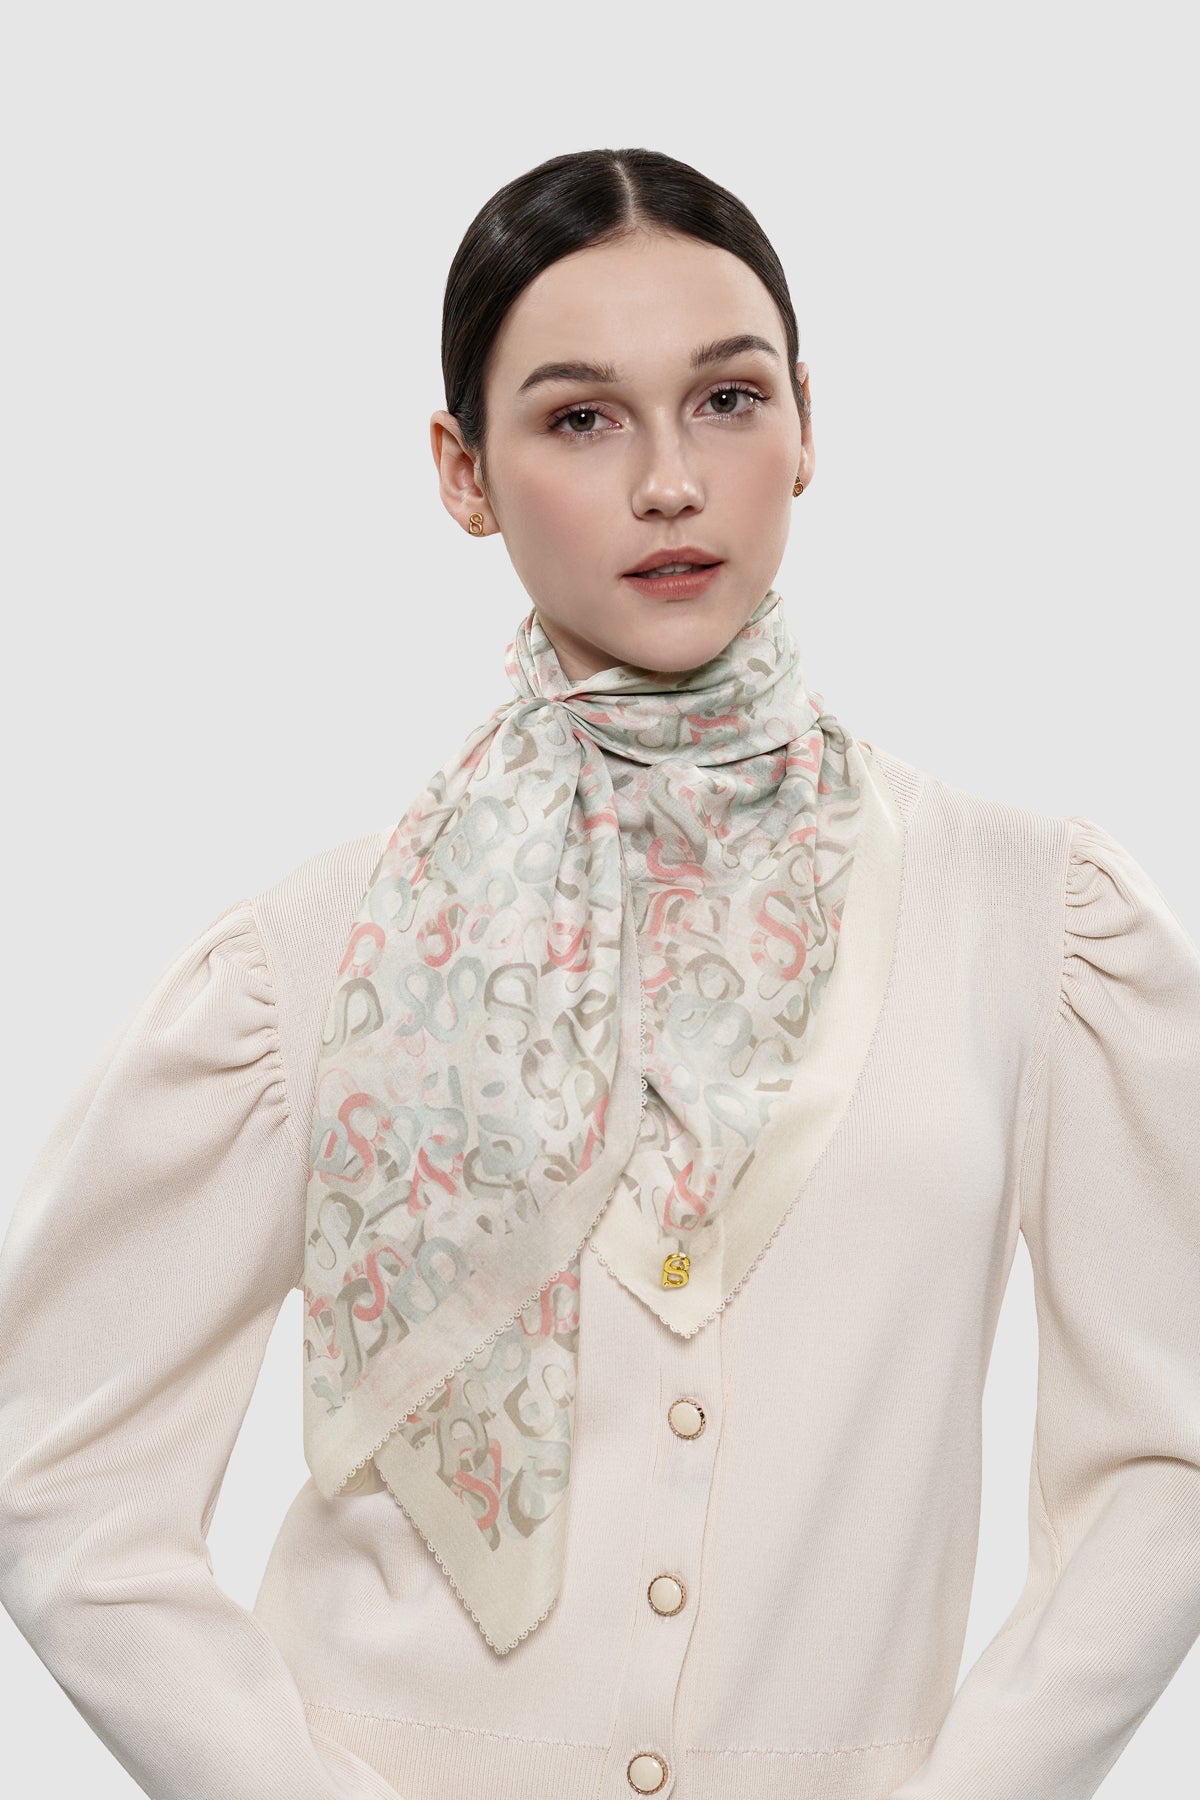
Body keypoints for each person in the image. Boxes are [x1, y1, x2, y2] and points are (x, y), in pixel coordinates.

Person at [0, 144, 1197, 1800]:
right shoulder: (314, 959)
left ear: (806, 425)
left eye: (727, 400)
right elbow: (58, 1469)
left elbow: (1168, 1452)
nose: (670, 482)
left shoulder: (1033, 920)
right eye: (580, 419)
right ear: (463, 472)